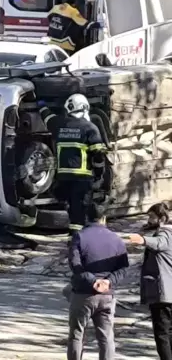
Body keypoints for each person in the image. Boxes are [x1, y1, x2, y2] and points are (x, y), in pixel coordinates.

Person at [67, 202, 129, 360]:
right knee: (106, 337)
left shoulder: (79, 236)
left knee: (77, 335)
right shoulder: (116, 239)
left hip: (83, 294)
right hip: (107, 296)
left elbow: (75, 265)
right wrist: (108, 282)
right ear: (104, 218)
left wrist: (93, 281)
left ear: (87, 217)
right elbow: (123, 268)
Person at [38, 94, 106, 234]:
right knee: (79, 210)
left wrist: (41, 104)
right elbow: (98, 155)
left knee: (69, 205)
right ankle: (77, 238)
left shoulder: (59, 124)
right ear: (85, 107)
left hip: (63, 178)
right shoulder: (90, 128)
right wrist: (99, 173)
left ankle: (75, 233)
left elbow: (47, 118)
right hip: (81, 178)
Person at [129, 203, 172, 360]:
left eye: (152, 217)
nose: (149, 220)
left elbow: (159, 243)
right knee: (169, 333)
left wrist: (142, 240)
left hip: (163, 294)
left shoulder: (165, 234)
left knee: (162, 334)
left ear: (162, 218)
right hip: (168, 294)